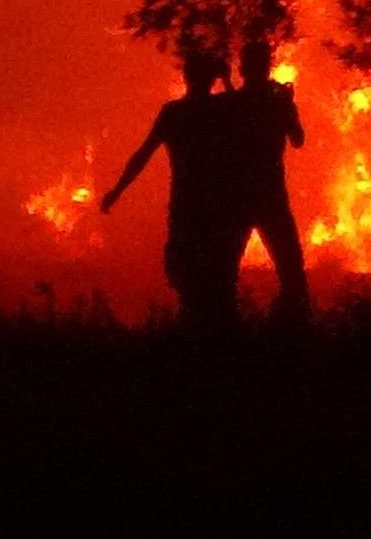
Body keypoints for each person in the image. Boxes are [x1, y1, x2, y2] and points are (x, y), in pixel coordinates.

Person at [102, 42, 310, 329]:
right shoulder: (226, 107)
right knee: (227, 278)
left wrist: (118, 190)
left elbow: (146, 153)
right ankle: (239, 333)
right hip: (235, 204)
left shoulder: (218, 107)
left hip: (230, 205)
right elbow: (287, 135)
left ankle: (222, 334)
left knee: (220, 277)